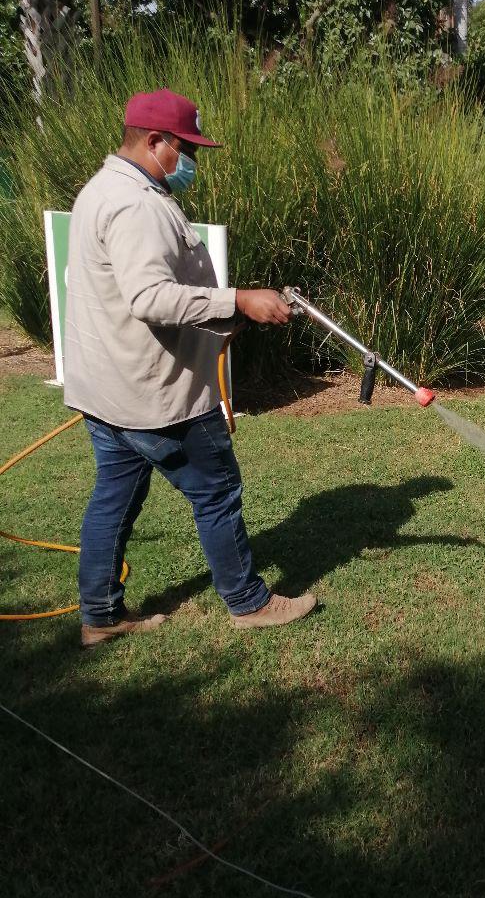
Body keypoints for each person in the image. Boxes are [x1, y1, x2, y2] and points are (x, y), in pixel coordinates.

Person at [63, 87, 316, 648]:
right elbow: (150, 298)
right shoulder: (137, 205)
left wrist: (230, 314)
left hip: (105, 391)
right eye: (187, 149)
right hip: (153, 397)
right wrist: (237, 300)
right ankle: (248, 602)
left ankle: (100, 615)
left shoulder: (100, 190)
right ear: (155, 142)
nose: (193, 163)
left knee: (115, 495)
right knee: (217, 489)